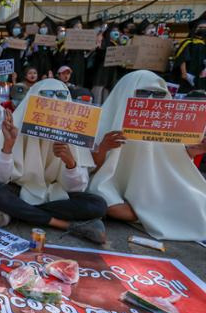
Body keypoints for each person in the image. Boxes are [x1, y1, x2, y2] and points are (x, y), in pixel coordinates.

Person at [0, 79, 107, 244]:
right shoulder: (16, 128)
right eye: (47, 95)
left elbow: (77, 188)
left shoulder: (72, 134)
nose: (55, 101)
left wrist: (70, 163)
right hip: (20, 189)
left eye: (62, 96)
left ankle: (17, 212)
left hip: (56, 194)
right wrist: (8, 146)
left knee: (98, 205)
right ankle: (65, 224)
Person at [88, 70, 206, 241]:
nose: (151, 99)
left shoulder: (163, 124)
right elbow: (89, 168)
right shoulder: (103, 121)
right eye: (144, 93)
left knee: (198, 201)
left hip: (156, 190)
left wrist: (195, 150)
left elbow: (171, 160)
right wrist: (104, 148)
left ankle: (151, 212)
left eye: (158, 94)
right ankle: (152, 213)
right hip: (112, 188)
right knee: (107, 205)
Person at [174, 11, 206, 92]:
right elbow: (182, 57)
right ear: (194, 29)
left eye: (205, 28)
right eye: (200, 28)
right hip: (188, 76)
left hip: (201, 78)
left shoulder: (204, 44)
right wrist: (184, 73)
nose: (202, 30)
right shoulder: (188, 42)